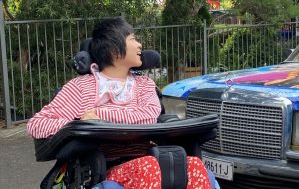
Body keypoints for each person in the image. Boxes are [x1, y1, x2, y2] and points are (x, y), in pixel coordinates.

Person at [27, 17, 212, 189]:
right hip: (101, 167)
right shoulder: (81, 87)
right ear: (115, 50)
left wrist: (97, 115)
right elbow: (37, 125)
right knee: (149, 166)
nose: (140, 45)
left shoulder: (144, 84)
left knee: (194, 165)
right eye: (133, 39)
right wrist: (79, 122)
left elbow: (148, 117)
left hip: (148, 157)